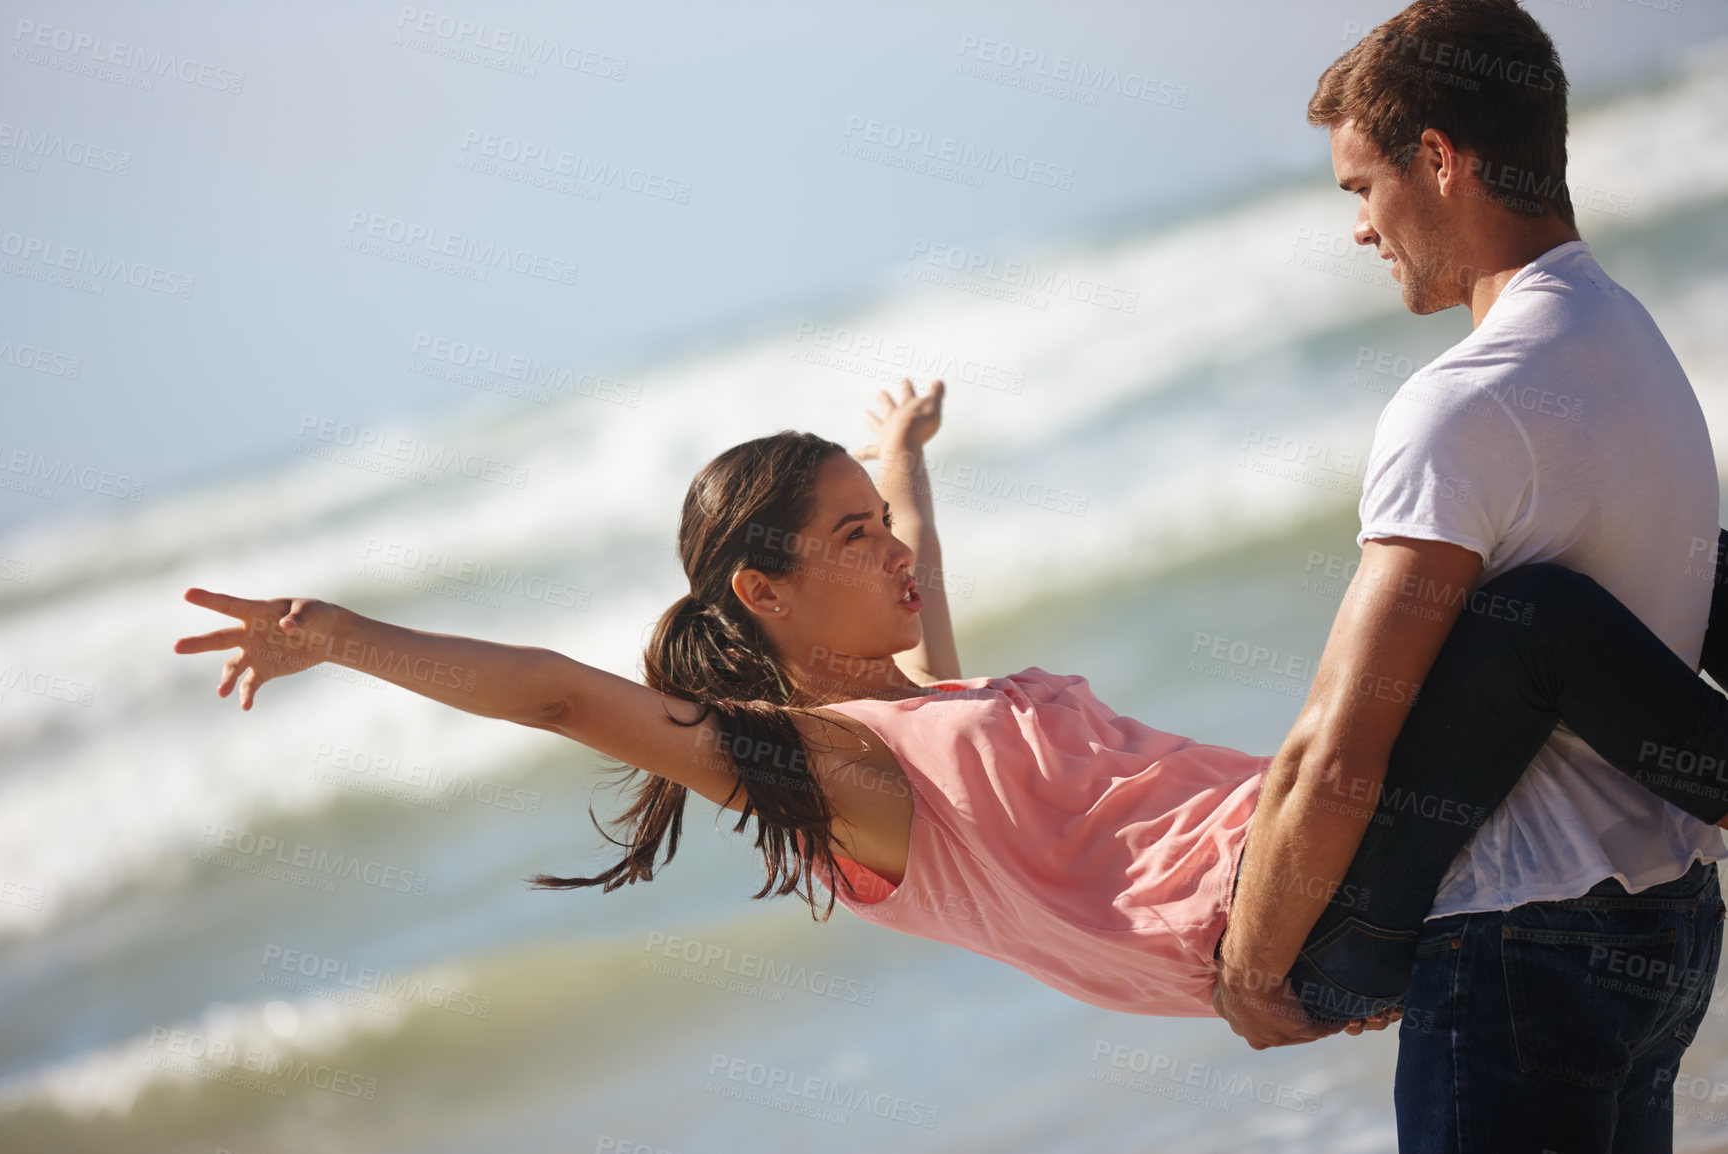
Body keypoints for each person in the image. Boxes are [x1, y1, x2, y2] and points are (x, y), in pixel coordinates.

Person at [175, 379, 1728, 1043]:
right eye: (851, 539)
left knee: (1666, 577)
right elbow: (571, 695)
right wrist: (332, 630)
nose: (895, 551)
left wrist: (898, 458)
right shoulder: (841, 773)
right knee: (1523, 617)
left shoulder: (915, 712)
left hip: (1327, 868)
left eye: (884, 523)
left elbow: (932, 616)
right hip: (1288, 904)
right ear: (765, 598)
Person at [1211, 0, 1725, 1148]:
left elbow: (1340, 743)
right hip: (1667, 923)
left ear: (1435, 158)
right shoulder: (1631, 338)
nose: (1359, 228)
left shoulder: (1466, 399)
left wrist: (1251, 961)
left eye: (1359, 188)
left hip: (1518, 941)